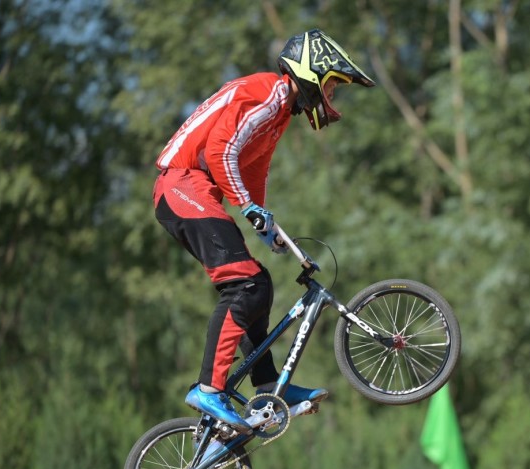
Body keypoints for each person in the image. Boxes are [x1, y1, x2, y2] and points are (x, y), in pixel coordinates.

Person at [152, 29, 375, 430]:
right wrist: (249, 209)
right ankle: (209, 389)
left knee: (259, 283)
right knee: (246, 285)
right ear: (311, 74)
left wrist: (264, 223)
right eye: (332, 85)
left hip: (193, 191)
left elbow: (252, 169)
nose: (332, 97)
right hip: (181, 185)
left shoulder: (277, 114)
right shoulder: (272, 93)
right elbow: (221, 150)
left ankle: (268, 386)